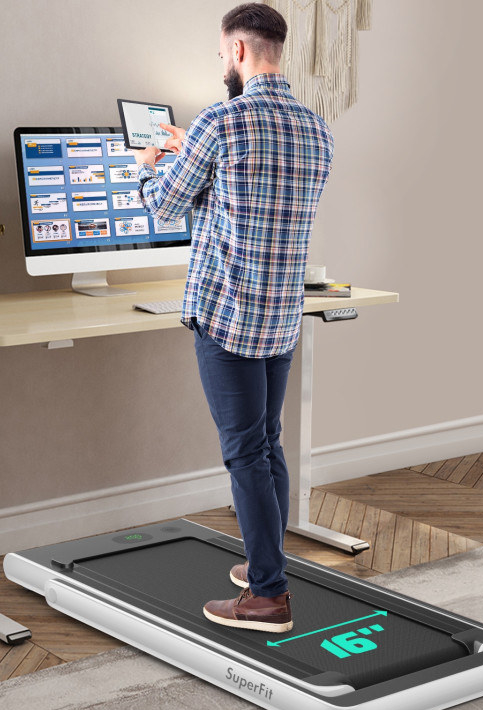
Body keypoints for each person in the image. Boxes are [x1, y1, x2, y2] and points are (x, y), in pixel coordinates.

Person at [132, 2, 333, 633]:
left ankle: (267, 597)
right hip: (280, 320)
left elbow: (166, 207)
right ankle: (263, 562)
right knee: (267, 441)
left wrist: (150, 168)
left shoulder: (220, 120)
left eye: (222, 54)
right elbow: (259, 209)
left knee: (244, 451)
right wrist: (193, 158)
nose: (223, 63)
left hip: (227, 319)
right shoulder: (316, 128)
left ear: (238, 51)